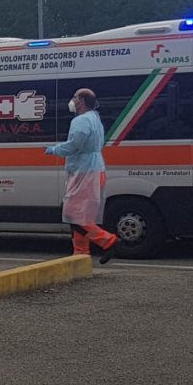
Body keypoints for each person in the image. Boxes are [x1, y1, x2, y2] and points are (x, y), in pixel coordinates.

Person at [45, 87, 119, 263]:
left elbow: (74, 144)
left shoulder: (81, 121)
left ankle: (108, 241)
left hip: (84, 172)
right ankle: (80, 254)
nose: (72, 100)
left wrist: (55, 150)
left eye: (75, 97)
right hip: (95, 169)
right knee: (83, 214)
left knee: (73, 214)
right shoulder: (95, 118)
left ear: (82, 101)